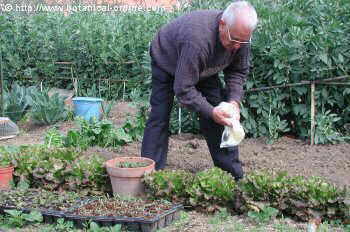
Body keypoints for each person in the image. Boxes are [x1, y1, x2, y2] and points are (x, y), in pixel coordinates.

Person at [141, 1, 258, 181]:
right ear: (222, 25)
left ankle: (233, 176)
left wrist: (233, 101)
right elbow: (183, 88)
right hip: (166, 57)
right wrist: (211, 112)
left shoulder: (240, 37)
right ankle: (148, 174)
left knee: (222, 116)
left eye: (243, 41)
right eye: (234, 40)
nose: (237, 46)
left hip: (201, 66)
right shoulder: (197, 40)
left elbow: (238, 71)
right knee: (160, 114)